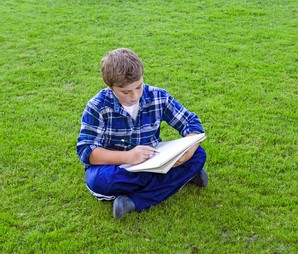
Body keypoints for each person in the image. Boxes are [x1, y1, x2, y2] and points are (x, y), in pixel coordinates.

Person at [76, 48, 208, 219]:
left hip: (154, 159)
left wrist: (187, 151)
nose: (134, 96)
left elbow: (192, 123)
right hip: (116, 166)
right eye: (125, 92)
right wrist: (129, 157)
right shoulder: (97, 106)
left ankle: (134, 199)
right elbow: (87, 151)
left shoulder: (158, 96)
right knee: (99, 182)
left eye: (139, 87)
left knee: (198, 154)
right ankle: (179, 179)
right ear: (110, 87)